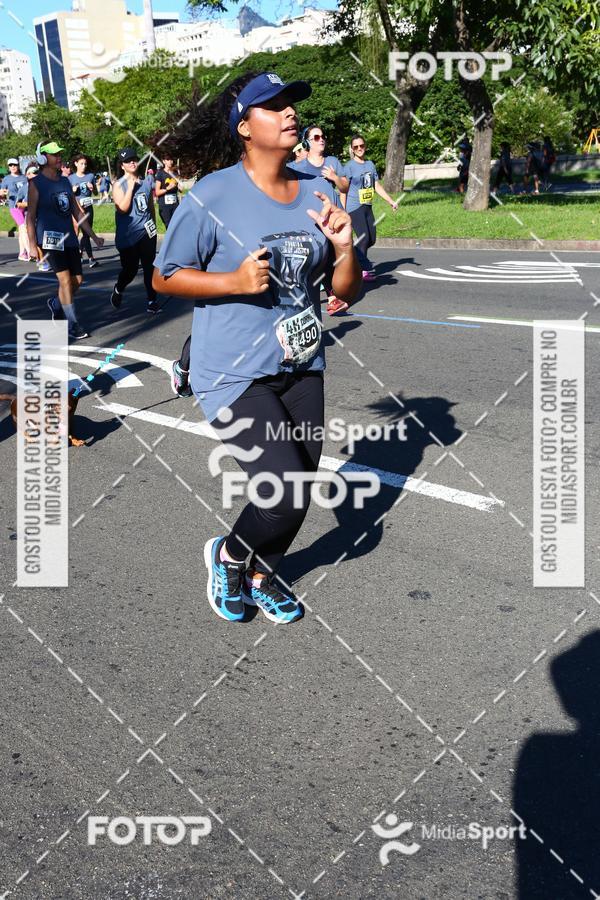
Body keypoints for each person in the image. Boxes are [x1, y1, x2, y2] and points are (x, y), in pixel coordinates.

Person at [153, 72, 361, 624]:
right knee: (282, 492)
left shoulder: (316, 189)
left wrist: (344, 248)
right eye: (273, 106)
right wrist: (234, 282)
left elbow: (346, 292)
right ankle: (227, 556)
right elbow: (164, 275)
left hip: (302, 362)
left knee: (301, 484)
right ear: (244, 127)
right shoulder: (214, 194)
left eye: (290, 103)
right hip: (232, 371)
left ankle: (263, 575)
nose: (289, 112)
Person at [26, 140, 104, 340]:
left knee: (77, 280)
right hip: (49, 239)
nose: (59, 157)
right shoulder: (35, 184)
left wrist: (93, 236)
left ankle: (56, 303)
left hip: (69, 237)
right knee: (65, 280)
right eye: (54, 154)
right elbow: (30, 216)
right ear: (43, 158)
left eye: (60, 153)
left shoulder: (64, 182)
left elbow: (77, 212)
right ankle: (72, 323)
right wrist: (32, 245)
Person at [289, 125, 350, 315]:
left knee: (334, 256)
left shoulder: (332, 162)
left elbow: (345, 187)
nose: (321, 139)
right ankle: (330, 296)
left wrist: (334, 177)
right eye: (316, 137)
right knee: (320, 257)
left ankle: (335, 294)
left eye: (323, 136)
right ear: (306, 142)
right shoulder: (297, 167)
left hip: (332, 217)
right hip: (310, 221)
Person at [110, 147, 161, 314]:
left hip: (146, 232)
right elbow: (122, 209)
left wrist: (154, 226)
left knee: (149, 267)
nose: (132, 163)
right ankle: (119, 288)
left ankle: (152, 300)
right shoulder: (118, 185)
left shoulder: (146, 182)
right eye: (127, 161)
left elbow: (150, 207)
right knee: (130, 270)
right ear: (122, 165)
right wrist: (131, 188)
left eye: (134, 159)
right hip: (128, 236)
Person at [343, 134, 397, 281]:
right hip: (354, 207)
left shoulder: (370, 165)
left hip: (367, 205)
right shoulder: (349, 167)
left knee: (371, 239)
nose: (359, 148)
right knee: (364, 238)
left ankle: (352, 257)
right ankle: (364, 269)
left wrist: (390, 201)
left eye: (361, 146)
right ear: (352, 149)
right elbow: (343, 189)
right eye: (356, 147)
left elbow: (376, 185)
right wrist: (342, 210)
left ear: (365, 146)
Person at [15, 162, 51, 271]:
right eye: (30, 173)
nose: (33, 174)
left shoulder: (44, 186)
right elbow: (18, 204)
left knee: (45, 239)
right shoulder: (23, 188)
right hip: (31, 217)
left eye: (35, 172)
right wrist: (29, 204)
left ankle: (48, 259)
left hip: (44, 216)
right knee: (36, 240)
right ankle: (42, 260)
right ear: (26, 175)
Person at [69, 153, 99, 268]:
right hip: (77, 209)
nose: (84, 166)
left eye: (85, 164)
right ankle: (91, 258)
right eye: (81, 164)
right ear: (76, 164)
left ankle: (80, 254)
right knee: (85, 233)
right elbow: (68, 195)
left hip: (88, 208)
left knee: (87, 233)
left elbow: (95, 192)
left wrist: (92, 188)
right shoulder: (71, 178)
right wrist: (72, 190)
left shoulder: (90, 176)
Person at [0, 158, 29, 260]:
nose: (13, 167)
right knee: (23, 227)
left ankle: (22, 253)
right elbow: (2, 193)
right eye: (10, 165)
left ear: (18, 165)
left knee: (22, 230)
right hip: (14, 207)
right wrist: (2, 193)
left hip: (25, 206)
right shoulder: (6, 179)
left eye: (14, 165)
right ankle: (30, 252)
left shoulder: (24, 177)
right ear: (8, 167)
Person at [154, 156, 180, 229]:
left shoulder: (175, 173)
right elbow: (157, 192)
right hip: (164, 206)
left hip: (175, 204)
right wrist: (167, 188)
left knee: (177, 226)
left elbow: (179, 188)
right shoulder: (160, 173)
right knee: (169, 228)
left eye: (171, 159)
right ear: (164, 161)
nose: (170, 161)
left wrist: (179, 187)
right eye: (168, 159)